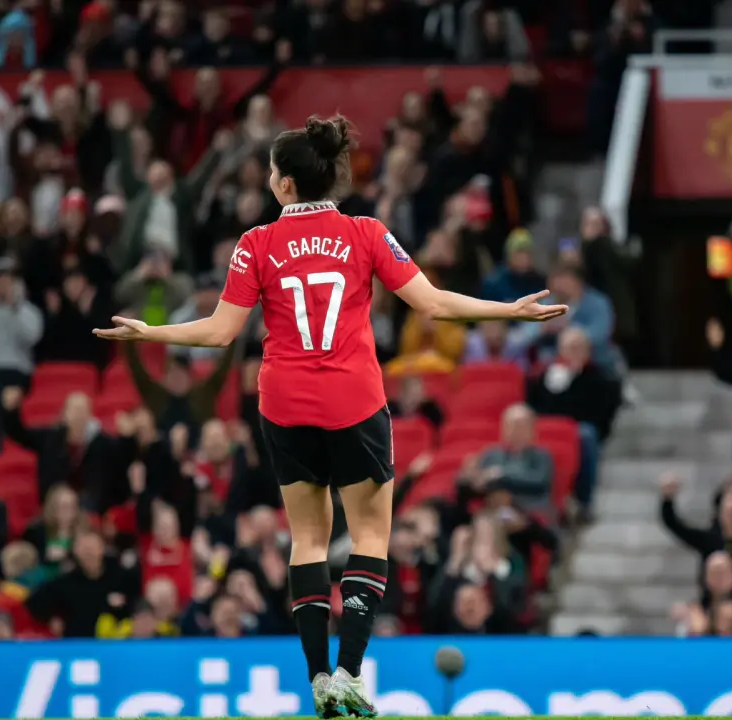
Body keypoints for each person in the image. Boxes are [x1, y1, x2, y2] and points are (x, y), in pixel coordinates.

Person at [92, 114, 564, 717]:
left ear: (287, 183)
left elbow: (218, 333)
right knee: (369, 536)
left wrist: (150, 332)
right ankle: (348, 674)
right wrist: (509, 311)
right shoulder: (366, 232)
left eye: (271, 172)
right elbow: (434, 305)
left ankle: (317, 678)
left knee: (308, 539)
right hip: (353, 400)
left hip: (285, 404)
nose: (269, 180)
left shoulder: (255, 243)